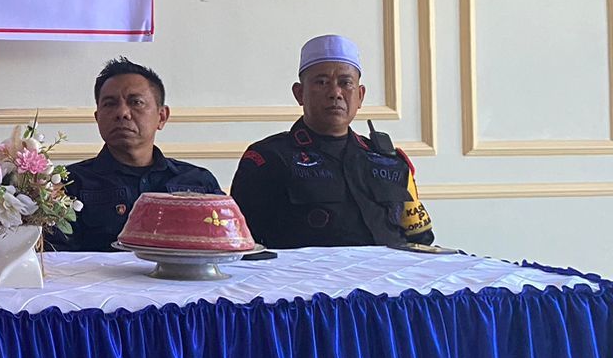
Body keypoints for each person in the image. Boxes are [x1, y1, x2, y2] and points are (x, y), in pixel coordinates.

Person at [231, 34, 434, 249]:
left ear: (360, 96)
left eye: (345, 83)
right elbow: (243, 245)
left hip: (394, 269)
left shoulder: (389, 160)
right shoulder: (268, 159)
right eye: (322, 82)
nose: (335, 93)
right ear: (299, 93)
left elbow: (420, 239)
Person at [48, 58, 222, 252]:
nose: (122, 112)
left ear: (161, 116)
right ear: (97, 118)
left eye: (136, 102)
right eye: (110, 104)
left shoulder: (199, 182)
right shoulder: (68, 184)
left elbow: (226, 248)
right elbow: (54, 259)